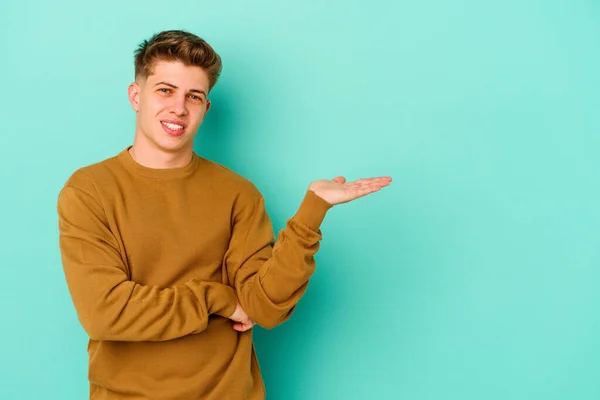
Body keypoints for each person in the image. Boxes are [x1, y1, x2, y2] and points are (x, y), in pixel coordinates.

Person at [57, 29, 392, 400]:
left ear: (206, 108)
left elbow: (263, 307)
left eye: (194, 96)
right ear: (137, 96)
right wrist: (217, 299)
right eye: (165, 90)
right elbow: (105, 312)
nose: (179, 108)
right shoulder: (89, 190)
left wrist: (313, 210)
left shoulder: (238, 193)